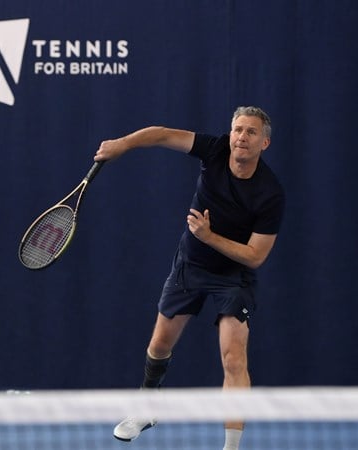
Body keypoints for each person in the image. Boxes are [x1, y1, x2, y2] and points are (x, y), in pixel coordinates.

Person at [94, 106, 285, 450]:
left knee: (233, 358)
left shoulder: (270, 193)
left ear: (265, 143)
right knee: (159, 345)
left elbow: (256, 257)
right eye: (238, 129)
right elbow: (163, 133)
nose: (242, 137)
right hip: (192, 265)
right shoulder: (215, 149)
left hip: (233, 275)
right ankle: (146, 410)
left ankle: (231, 447)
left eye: (251, 132)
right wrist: (123, 144)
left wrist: (209, 236)